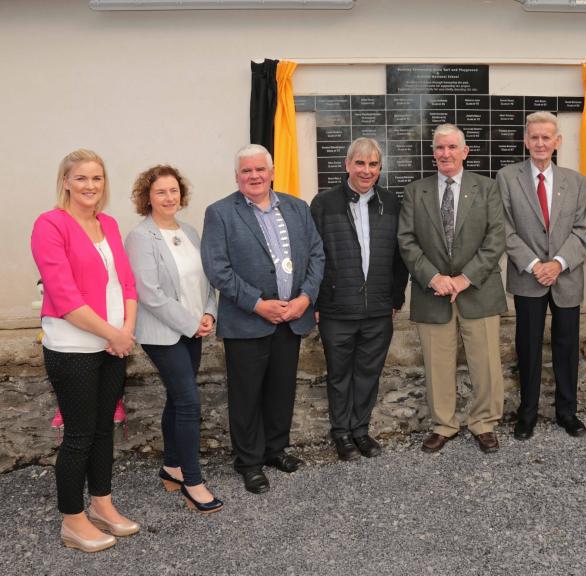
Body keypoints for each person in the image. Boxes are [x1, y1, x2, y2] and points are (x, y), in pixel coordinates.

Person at [31, 149, 139, 552]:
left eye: (96, 179)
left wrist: (124, 331)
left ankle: (102, 505)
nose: (90, 186)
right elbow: (63, 295)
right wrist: (114, 333)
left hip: (113, 344)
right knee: (78, 435)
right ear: (66, 182)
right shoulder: (50, 225)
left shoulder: (108, 223)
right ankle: (73, 521)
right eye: (81, 179)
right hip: (73, 345)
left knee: (102, 430)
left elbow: (127, 284)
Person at [201, 144, 324, 494]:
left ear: (271, 172)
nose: (254, 176)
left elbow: (317, 254)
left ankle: (275, 450)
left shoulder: (297, 208)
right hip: (248, 321)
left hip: (292, 317)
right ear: (237, 176)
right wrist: (257, 304)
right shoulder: (220, 213)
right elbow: (217, 268)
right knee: (246, 395)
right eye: (246, 171)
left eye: (260, 170)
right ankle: (249, 462)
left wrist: (304, 298)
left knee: (281, 390)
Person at [398, 123, 507, 454]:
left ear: (464, 151)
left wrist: (464, 278)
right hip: (433, 292)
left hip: (479, 290)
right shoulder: (416, 191)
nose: (445, 153)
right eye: (439, 148)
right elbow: (406, 240)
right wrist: (434, 277)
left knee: (486, 362)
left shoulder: (487, 188)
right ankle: (444, 424)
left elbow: (495, 239)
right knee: (437, 363)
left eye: (451, 147)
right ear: (433, 153)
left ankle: (484, 422)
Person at [125, 165, 223, 513]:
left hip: (195, 328)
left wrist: (210, 314)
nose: (169, 197)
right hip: (163, 334)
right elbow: (149, 293)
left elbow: (209, 281)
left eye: (173, 191)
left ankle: (171, 466)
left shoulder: (191, 232)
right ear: (147, 198)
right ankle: (193, 482)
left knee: (177, 399)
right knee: (189, 402)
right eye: (160, 192)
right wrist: (191, 323)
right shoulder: (141, 237)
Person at [310, 138, 408, 461]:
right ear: (347, 165)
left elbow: (400, 258)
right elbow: (315, 257)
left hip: (379, 309)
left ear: (380, 168)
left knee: (368, 373)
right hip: (337, 309)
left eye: (373, 164)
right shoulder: (323, 204)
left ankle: (361, 431)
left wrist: (395, 297)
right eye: (361, 163)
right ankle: (341, 434)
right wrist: (319, 302)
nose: (367, 170)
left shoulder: (392, 204)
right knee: (339, 375)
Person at [497, 111, 586, 440]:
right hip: (528, 278)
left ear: (557, 142)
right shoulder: (507, 178)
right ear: (525, 140)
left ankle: (567, 412)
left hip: (566, 277)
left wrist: (558, 263)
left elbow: (582, 231)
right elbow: (504, 229)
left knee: (567, 347)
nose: (540, 143)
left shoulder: (576, 181)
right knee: (528, 347)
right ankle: (527, 413)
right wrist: (535, 264)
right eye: (534, 137)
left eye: (546, 137)